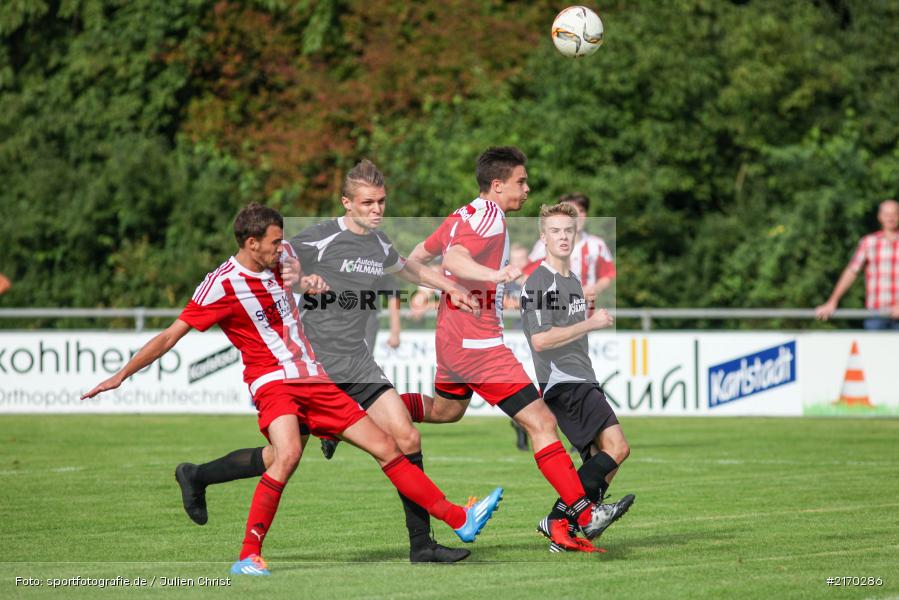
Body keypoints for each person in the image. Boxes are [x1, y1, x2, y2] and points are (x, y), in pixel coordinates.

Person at [82, 203, 503, 575]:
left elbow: (300, 280)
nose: (282, 247)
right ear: (251, 243)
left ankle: (459, 519)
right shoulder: (221, 286)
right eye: (275, 241)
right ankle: (249, 555)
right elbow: (170, 336)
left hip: (315, 377)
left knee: (389, 448)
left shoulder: (281, 259)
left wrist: (310, 283)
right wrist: (122, 374)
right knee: (287, 457)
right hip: (273, 383)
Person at [175, 163, 486, 564]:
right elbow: (276, 261)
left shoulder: (378, 243)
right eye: (368, 203)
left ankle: (422, 545)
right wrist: (298, 276)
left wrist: (452, 286)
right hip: (312, 364)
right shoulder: (319, 237)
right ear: (347, 203)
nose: (377, 210)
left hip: (355, 360)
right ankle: (197, 475)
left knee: (406, 438)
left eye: (382, 202)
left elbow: (406, 267)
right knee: (278, 457)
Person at [407, 146, 632, 550]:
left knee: (447, 410)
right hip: (479, 344)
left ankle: (367, 407)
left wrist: (445, 288)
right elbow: (456, 259)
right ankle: (583, 513)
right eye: (521, 182)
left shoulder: (462, 213)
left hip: (451, 337)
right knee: (542, 424)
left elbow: (414, 261)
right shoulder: (490, 219)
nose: (527, 189)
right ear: (498, 185)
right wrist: (491, 274)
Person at [521, 203, 634, 553]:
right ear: (544, 237)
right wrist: (591, 322)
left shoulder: (571, 280)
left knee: (601, 460)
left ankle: (564, 527)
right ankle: (560, 520)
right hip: (564, 382)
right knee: (617, 447)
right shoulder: (540, 281)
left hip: (580, 377)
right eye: (555, 231)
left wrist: (582, 309)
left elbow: (567, 328)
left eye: (568, 231)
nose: (563, 237)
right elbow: (540, 340)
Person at [815, 199, 899, 329]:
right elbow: (852, 271)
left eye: (894, 214)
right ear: (880, 217)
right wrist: (833, 301)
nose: (891, 218)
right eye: (887, 214)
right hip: (875, 314)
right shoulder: (869, 242)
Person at [528, 193, 616, 312]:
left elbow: (607, 275)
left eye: (581, 210)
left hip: (584, 320)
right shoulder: (543, 245)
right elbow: (528, 276)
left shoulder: (597, 245)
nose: (578, 216)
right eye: (572, 211)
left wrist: (594, 288)